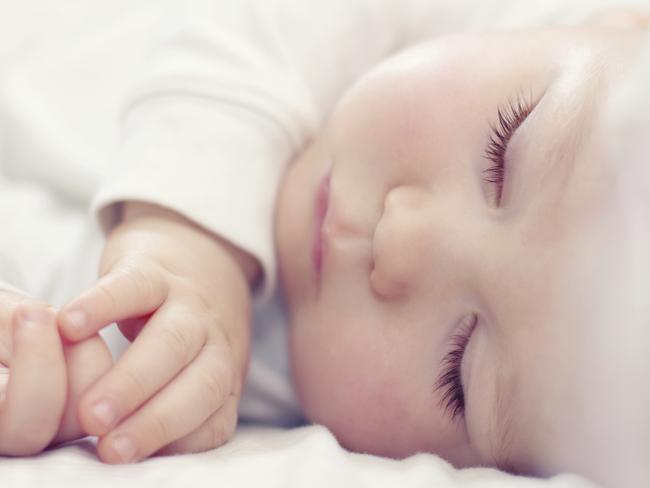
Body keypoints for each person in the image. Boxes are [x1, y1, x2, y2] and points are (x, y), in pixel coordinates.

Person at [0, 2, 647, 485]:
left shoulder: (273, 398)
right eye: (503, 153)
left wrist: (68, 377)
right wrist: (183, 237)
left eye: (460, 371)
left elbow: (67, 293)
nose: (399, 241)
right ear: (619, 21)